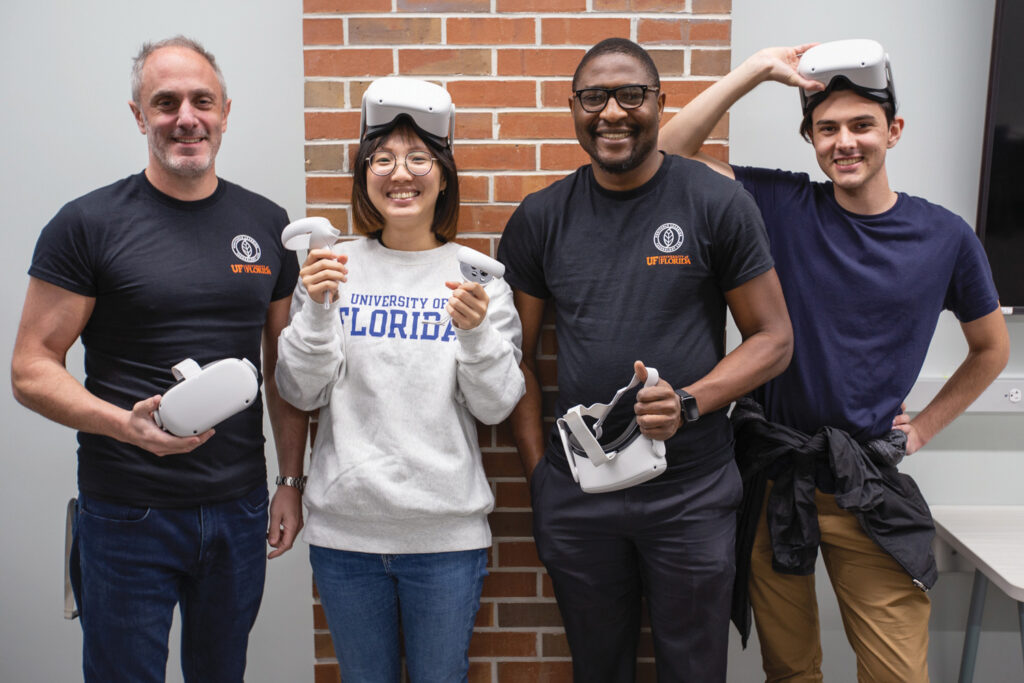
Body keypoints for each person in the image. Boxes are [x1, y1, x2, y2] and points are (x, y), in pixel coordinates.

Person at [658, 41, 1010, 682]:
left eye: (861, 125)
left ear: (893, 132)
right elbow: (667, 153)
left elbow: (991, 350)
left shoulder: (945, 237)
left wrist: (925, 426)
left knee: (897, 672)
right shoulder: (781, 205)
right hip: (774, 476)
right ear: (811, 140)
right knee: (791, 671)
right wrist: (756, 71)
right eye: (827, 129)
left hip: (866, 483)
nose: (844, 142)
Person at [10, 36, 307, 682]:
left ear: (226, 110)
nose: (186, 117)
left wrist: (290, 482)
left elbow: (283, 374)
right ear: (138, 115)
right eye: (164, 102)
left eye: (202, 101)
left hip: (239, 506)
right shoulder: (87, 224)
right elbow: (30, 368)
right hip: (126, 512)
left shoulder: (267, 225)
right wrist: (125, 425)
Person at [496, 38, 794, 682]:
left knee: (692, 669)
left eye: (631, 95)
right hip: (580, 494)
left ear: (660, 104)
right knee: (598, 669)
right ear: (572, 107)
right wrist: (540, 474)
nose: (612, 112)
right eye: (594, 97)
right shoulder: (540, 217)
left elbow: (774, 339)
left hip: (691, 493)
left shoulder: (714, 201)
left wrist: (690, 401)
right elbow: (514, 358)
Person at [274, 77, 525, 682]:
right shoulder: (333, 266)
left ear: (443, 175)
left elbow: (495, 408)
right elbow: (298, 391)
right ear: (364, 176)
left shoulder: (477, 280)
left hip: (446, 539)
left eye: (418, 158)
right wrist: (315, 308)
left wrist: (474, 335)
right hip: (345, 537)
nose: (400, 173)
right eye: (382, 159)